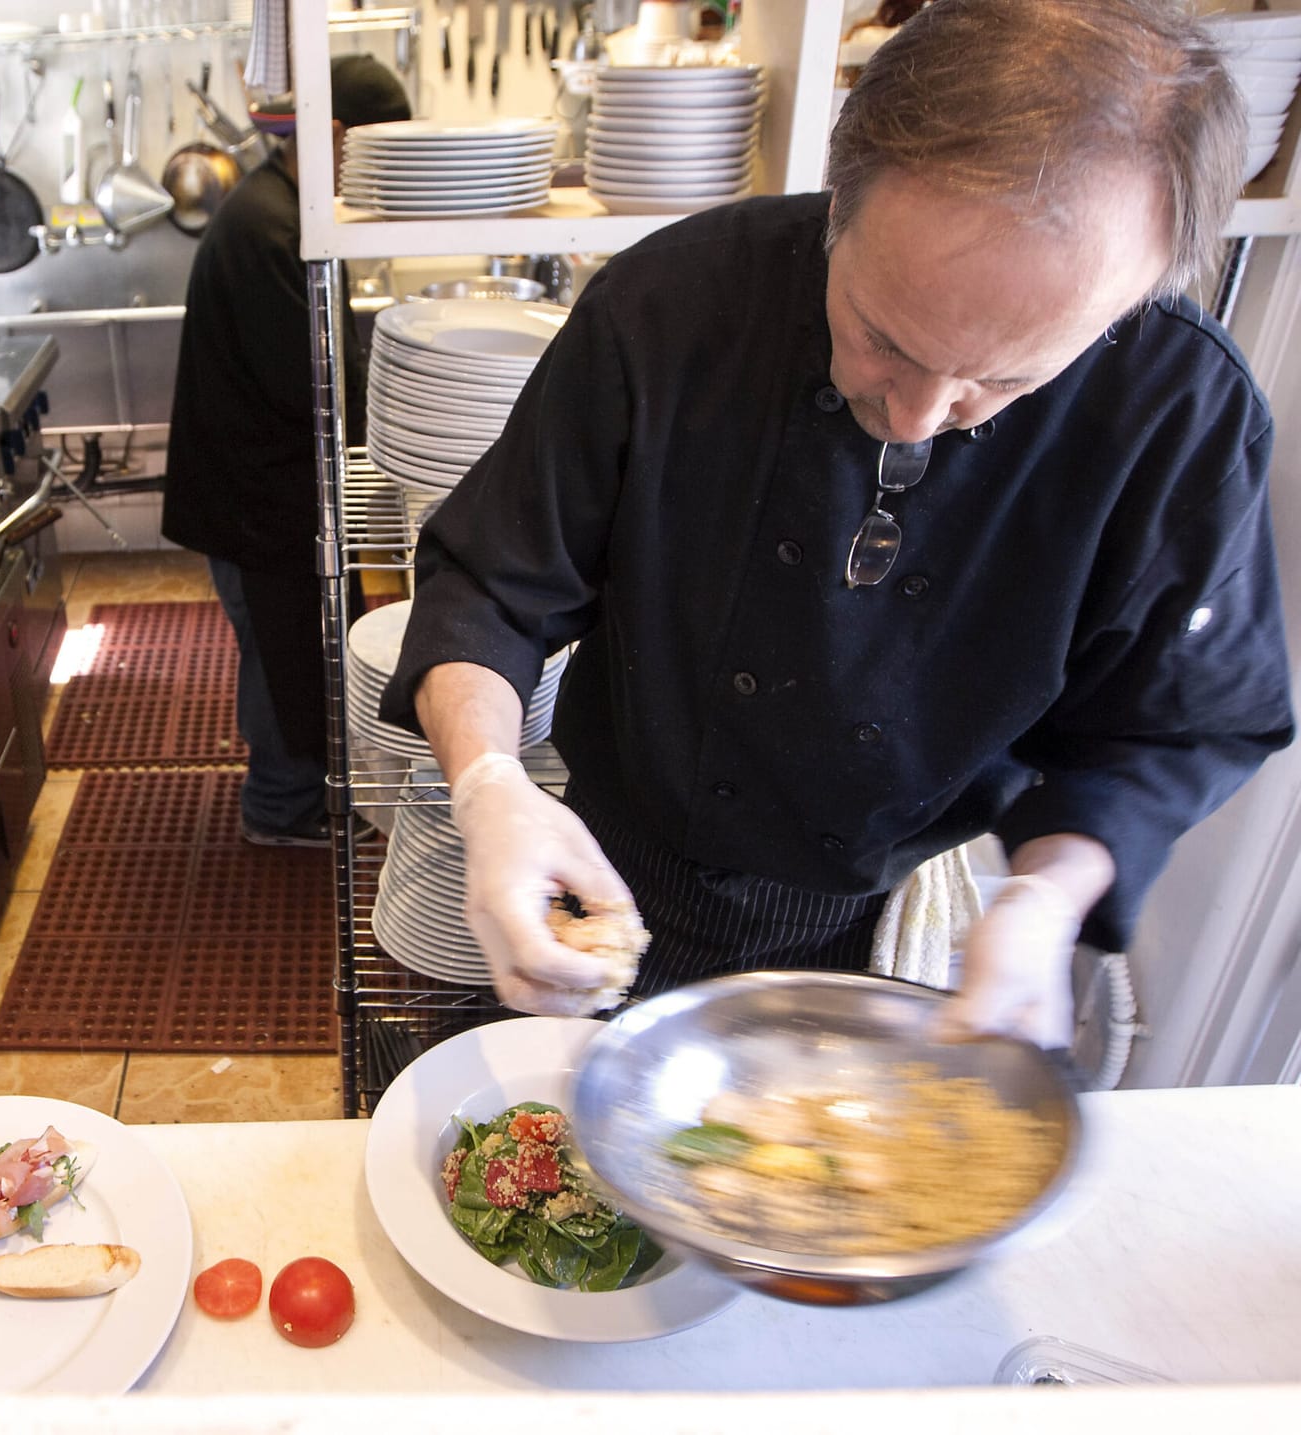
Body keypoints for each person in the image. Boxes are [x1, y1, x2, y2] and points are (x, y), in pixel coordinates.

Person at [379, 0, 1295, 1043]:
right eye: (881, 337)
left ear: (1122, 306)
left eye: (1002, 378)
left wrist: (1047, 893)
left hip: (918, 922)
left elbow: (1177, 723)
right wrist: (490, 785)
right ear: (835, 208)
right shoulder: (670, 307)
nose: (912, 415)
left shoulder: (1175, 408)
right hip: (617, 878)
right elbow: (489, 581)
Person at [164, 54, 411, 845]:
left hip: (259, 492)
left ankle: (292, 790)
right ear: (336, 136)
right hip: (255, 501)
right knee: (284, 658)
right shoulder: (275, 228)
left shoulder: (285, 209)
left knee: (290, 651)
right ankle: (280, 807)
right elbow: (310, 387)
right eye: (383, 150)